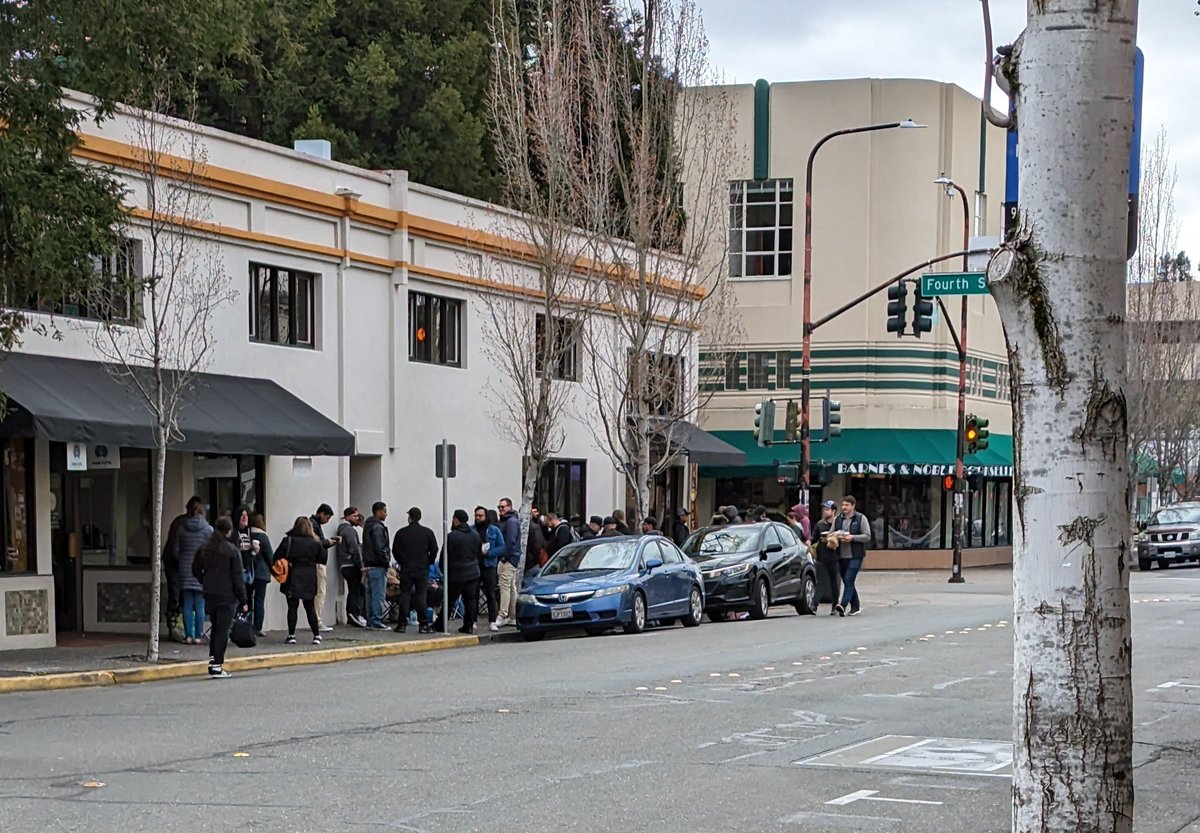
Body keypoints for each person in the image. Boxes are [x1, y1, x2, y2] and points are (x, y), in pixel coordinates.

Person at [192, 516, 247, 679]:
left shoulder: (205, 548)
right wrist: (243, 599)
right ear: (229, 531)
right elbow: (238, 578)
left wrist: (204, 581)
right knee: (222, 630)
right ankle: (217, 664)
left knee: (216, 628)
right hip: (227, 595)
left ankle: (213, 661)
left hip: (210, 593)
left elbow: (195, 569)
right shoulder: (231, 551)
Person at [277, 516, 324, 644]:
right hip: (309, 575)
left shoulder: (289, 540)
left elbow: (276, 556)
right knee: (310, 607)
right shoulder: (315, 541)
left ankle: (291, 635)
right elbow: (322, 558)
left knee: (292, 607)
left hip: (293, 574)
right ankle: (316, 635)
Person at [392, 506, 438, 633]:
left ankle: (402, 624)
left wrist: (402, 561)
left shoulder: (401, 533)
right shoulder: (428, 532)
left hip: (407, 568)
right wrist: (429, 561)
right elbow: (434, 549)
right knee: (421, 595)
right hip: (422, 568)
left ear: (409, 517)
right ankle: (423, 625)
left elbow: (395, 550)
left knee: (405, 595)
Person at [163, 496, 202, 643]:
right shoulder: (202, 527)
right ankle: (189, 632)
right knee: (189, 601)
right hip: (181, 566)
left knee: (181, 598)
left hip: (178, 565)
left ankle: (179, 630)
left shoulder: (179, 524)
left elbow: (175, 549)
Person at [435, 509, 481, 634]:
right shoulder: (475, 535)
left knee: (450, 599)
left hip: (456, 573)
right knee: (471, 600)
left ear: (456, 520)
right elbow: (479, 554)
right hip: (473, 572)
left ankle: (442, 623)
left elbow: (444, 557)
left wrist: (444, 570)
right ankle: (469, 624)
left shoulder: (452, 536)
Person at [175, 500, 213, 645]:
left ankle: (188, 636)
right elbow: (212, 551)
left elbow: (176, 552)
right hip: (201, 571)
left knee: (187, 604)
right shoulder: (208, 530)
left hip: (185, 569)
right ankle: (198, 635)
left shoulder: (182, 529)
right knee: (200, 605)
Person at [832, 495, 871, 616]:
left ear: (853, 506)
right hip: (841, 555)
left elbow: (867, 536)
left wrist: (853, 537)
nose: (844, 507)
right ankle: (855, 606)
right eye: (843, 505)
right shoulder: (838, 519)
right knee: (848, 581)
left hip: (855, 555)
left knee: (849, 579)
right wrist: (834, 537)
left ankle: (842, 605)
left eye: (847, 505)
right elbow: (831, 533)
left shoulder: (860, 518)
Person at [474, 506, 507, 633]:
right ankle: (473, 620)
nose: (478, 518)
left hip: (489, 565)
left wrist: (489, 553)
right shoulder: (472, 530)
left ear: (486, 516)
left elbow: (502, 547)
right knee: (473, 594)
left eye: (480, 516)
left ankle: (492, 621)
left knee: (490, 594)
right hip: (476, 564)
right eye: (476, 515)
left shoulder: (494, 530)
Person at [309, 504, 339, 633]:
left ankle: (316, 620)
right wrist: (328, 542)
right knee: (320, 592)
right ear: (321, 514)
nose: (327, 521)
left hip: (315, 562)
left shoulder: (314, 524)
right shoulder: (314, 525)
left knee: (317, 593)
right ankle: (317, 621)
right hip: (318, 563)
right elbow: (317, 544)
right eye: (327, 518)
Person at [361, 502, 391, 630]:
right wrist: (386, 561)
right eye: (384, 511)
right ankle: (376, 620)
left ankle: (370, 619)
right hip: (378, 565)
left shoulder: (368, 526)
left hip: (368, 566)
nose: (386, 514)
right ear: (378, 512)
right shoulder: (378, 527)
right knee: (378, 595)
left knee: (369, 595)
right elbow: (380, 547)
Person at [336, 507, 366, 628]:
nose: (357, 518)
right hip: (351, 565)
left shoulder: (343, 530)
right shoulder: (349, 531)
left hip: (345, 565)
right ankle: (353, 614)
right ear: (347, 517)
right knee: (356, 590)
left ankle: (353, 615)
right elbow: (354, 549)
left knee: (355, 590)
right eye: (354, 516)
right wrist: (361, 566)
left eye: (357, 516)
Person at [812, 500, 842, 615]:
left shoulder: (839, 523)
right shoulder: (820, 524)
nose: (825, 511)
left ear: (834, 511)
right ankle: (814, 605)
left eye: (827, 509)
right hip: (822, 557)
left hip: (834, 557)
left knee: (834, 583)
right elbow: (814, 537)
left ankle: (835, 605)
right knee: (820, 582)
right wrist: (809, 542)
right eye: (824, 509)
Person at [497, 497, 523, 627]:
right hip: (512, 557)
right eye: (499, 507)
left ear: (509, 507)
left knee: (505, 586)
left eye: (503, 507)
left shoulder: (510, 522)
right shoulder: (512, 520)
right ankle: (512, 616)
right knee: (511, 587)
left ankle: (503, 614)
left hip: (508, 558)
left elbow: (511, 541)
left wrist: (505, 557)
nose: (501, 509)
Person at [248, 513, 274, 637]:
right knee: (259, 600)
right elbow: (270, 556)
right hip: (262, 573)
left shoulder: (247, 534)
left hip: (248, 571)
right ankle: (257, 627)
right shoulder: (263, 536)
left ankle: (246, 624)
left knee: (247, 599)